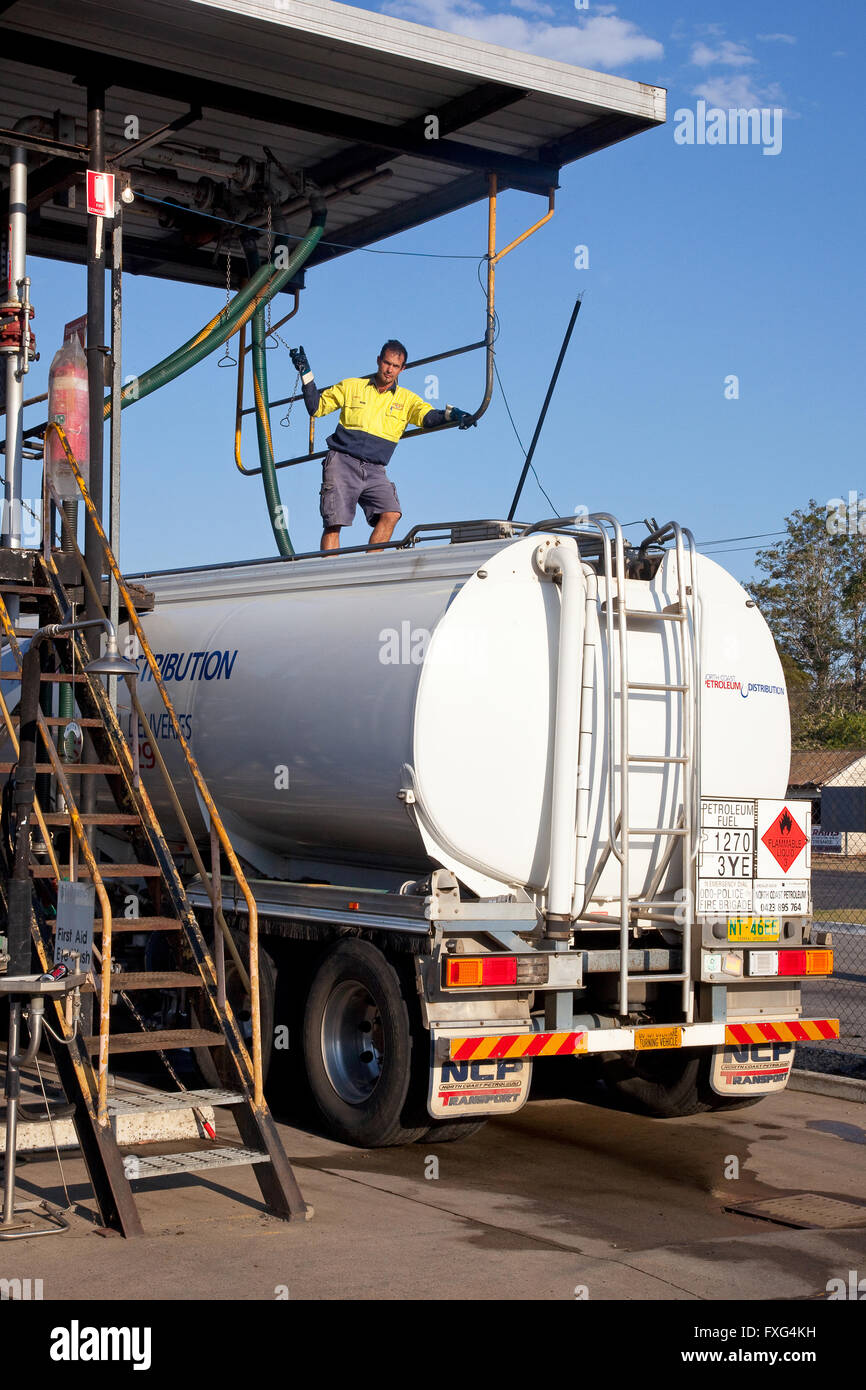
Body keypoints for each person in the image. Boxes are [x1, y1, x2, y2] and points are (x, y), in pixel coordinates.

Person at [289, 339, 476, 551]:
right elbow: (316, 407)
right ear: (379, 361)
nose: (389, 370)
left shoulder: (407, 400)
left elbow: (427, 417)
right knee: (334, 523)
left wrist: (454, 414)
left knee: (392, 513)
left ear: (402, 369)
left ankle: (370, 570)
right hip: (342, 461)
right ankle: (332, 577)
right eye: (387, 363)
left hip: (375, 470)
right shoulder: (352, 386)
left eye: (395, 366)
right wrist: (306, 373)